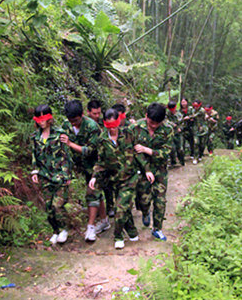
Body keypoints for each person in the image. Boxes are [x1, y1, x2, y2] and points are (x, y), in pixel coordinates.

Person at [89, 109, 153, 249]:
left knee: (120, 208)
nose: (112, 129)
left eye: (114, 125)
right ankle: (132, 231)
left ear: (119, 121)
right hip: (114, 179)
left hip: (130, 178)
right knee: (124, 208)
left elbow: (138, 153)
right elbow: (101, 161)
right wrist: (94, 177)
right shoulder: (102, 139)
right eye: (109, 126)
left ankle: (118, 236)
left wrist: (147, 170)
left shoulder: (129, 134)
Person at [60, 100, 108, 242]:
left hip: (95, 165)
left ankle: (90, 227)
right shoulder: (66, 125)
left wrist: (70, 143)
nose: (73, 123)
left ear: (82, 115)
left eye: (75, 120)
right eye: (70, 120)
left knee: (92, 193)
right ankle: (104, 220)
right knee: (97, 194)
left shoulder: (92, 127)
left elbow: (89, 151)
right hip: (78, 165)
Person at [31, 104, 72, 245]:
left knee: (57, 205)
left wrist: (67, 176)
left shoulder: (59, 134)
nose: (41, 121)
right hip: (45, 176)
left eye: (44, 118)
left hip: (59, 176)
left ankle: (64, 229)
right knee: (48, 208)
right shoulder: (35, 137)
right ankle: (56, 231)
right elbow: (34, 155)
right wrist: (35, 171)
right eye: (39, 118)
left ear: (49, 118)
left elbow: (67, 156)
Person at [133, 103, 174, 241]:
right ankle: (145, 212)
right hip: (141, 169)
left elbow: (167, 152)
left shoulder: (168, 129)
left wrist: (147, 150)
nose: (154, 126)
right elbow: (131, 149)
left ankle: (157, 228)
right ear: (146, 116)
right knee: (143, 198)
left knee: (160, 200)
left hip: (159, 169)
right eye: (151, 123)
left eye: (157, 123)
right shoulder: (135, 127)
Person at [166, 101, 184, 166]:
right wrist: (172, 124)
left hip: (178, 133)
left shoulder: (179, 115)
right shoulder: (166, 114)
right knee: (171, 148)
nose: (171, 111)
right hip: (170, 133)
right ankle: (173, 162)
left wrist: (180, 128)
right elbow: (165, 121)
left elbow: (182, 123)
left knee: (180, 149)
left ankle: (182, 161)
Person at [191, 99, 207, 164]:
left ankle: (200, 155)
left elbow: (195, 115)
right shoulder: (192, 110)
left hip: (203, 129)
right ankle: (195, 157)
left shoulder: (202, 110)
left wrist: (189, 117)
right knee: (196, 143)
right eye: (194, 106)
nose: (195, 107)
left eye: (196, 106)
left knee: (202, 144)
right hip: (195, 129)